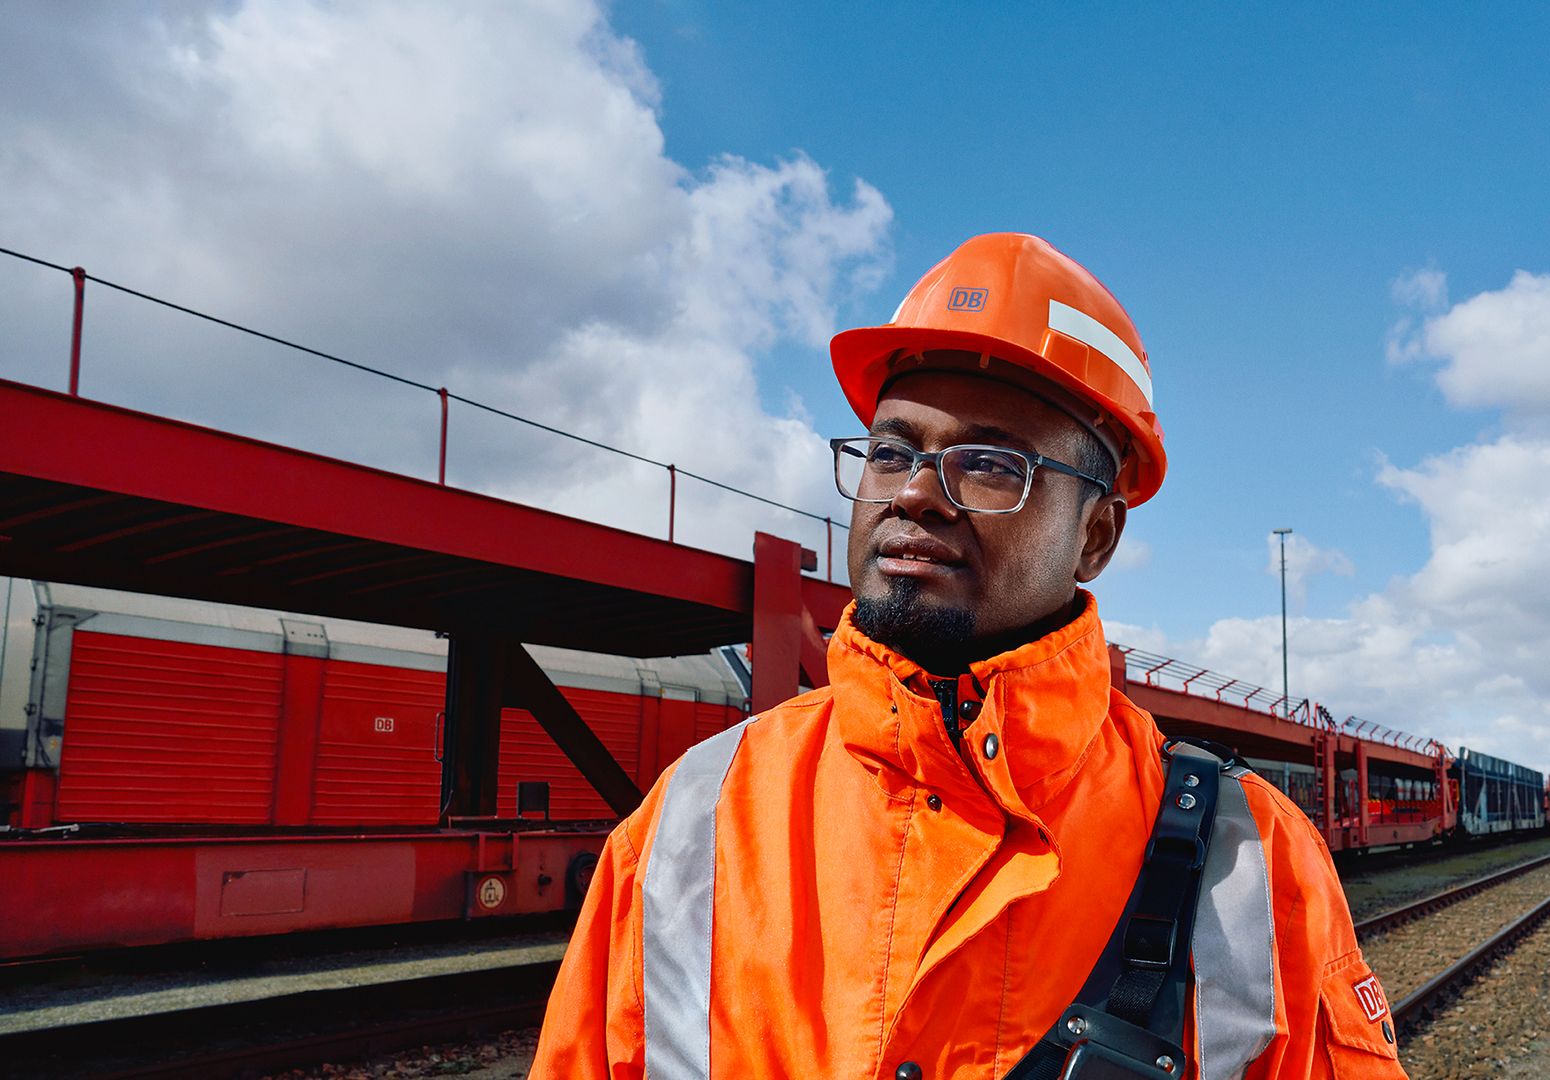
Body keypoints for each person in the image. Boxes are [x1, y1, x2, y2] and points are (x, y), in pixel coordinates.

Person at [531, 233, 1405, 1079]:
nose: (915, 493)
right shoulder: (689, 822)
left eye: (989, 464)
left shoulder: (1257, 866)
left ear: (1094, 537)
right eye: (890, 450)